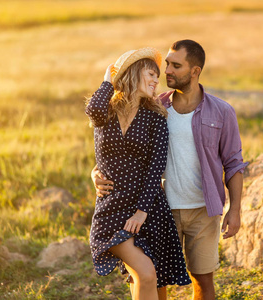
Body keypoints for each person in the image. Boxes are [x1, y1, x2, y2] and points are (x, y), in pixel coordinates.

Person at [92, 40, 247, 300]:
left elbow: (234, 163)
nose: (167, 72)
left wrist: (235, 210)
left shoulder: (221, 112)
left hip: (203, 209)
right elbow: (121, 150)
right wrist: (95, 173)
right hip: (161, 208)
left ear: (195, 71)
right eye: (167, 65)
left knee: (203, 280)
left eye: (176, 66)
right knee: (153, 279)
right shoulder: (156, 108)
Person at [85, 47, 191, 300]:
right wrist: (107, 82)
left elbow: (156, 169)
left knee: (143, 277)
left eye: (158, 76)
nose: (157, 80)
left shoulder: (155, 118)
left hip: (147, 209)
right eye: (151, 74)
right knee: (145, 274)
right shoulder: (106, 112)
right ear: (133, 73)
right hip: (112, 209)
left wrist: (141, 212)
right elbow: (92, 110)